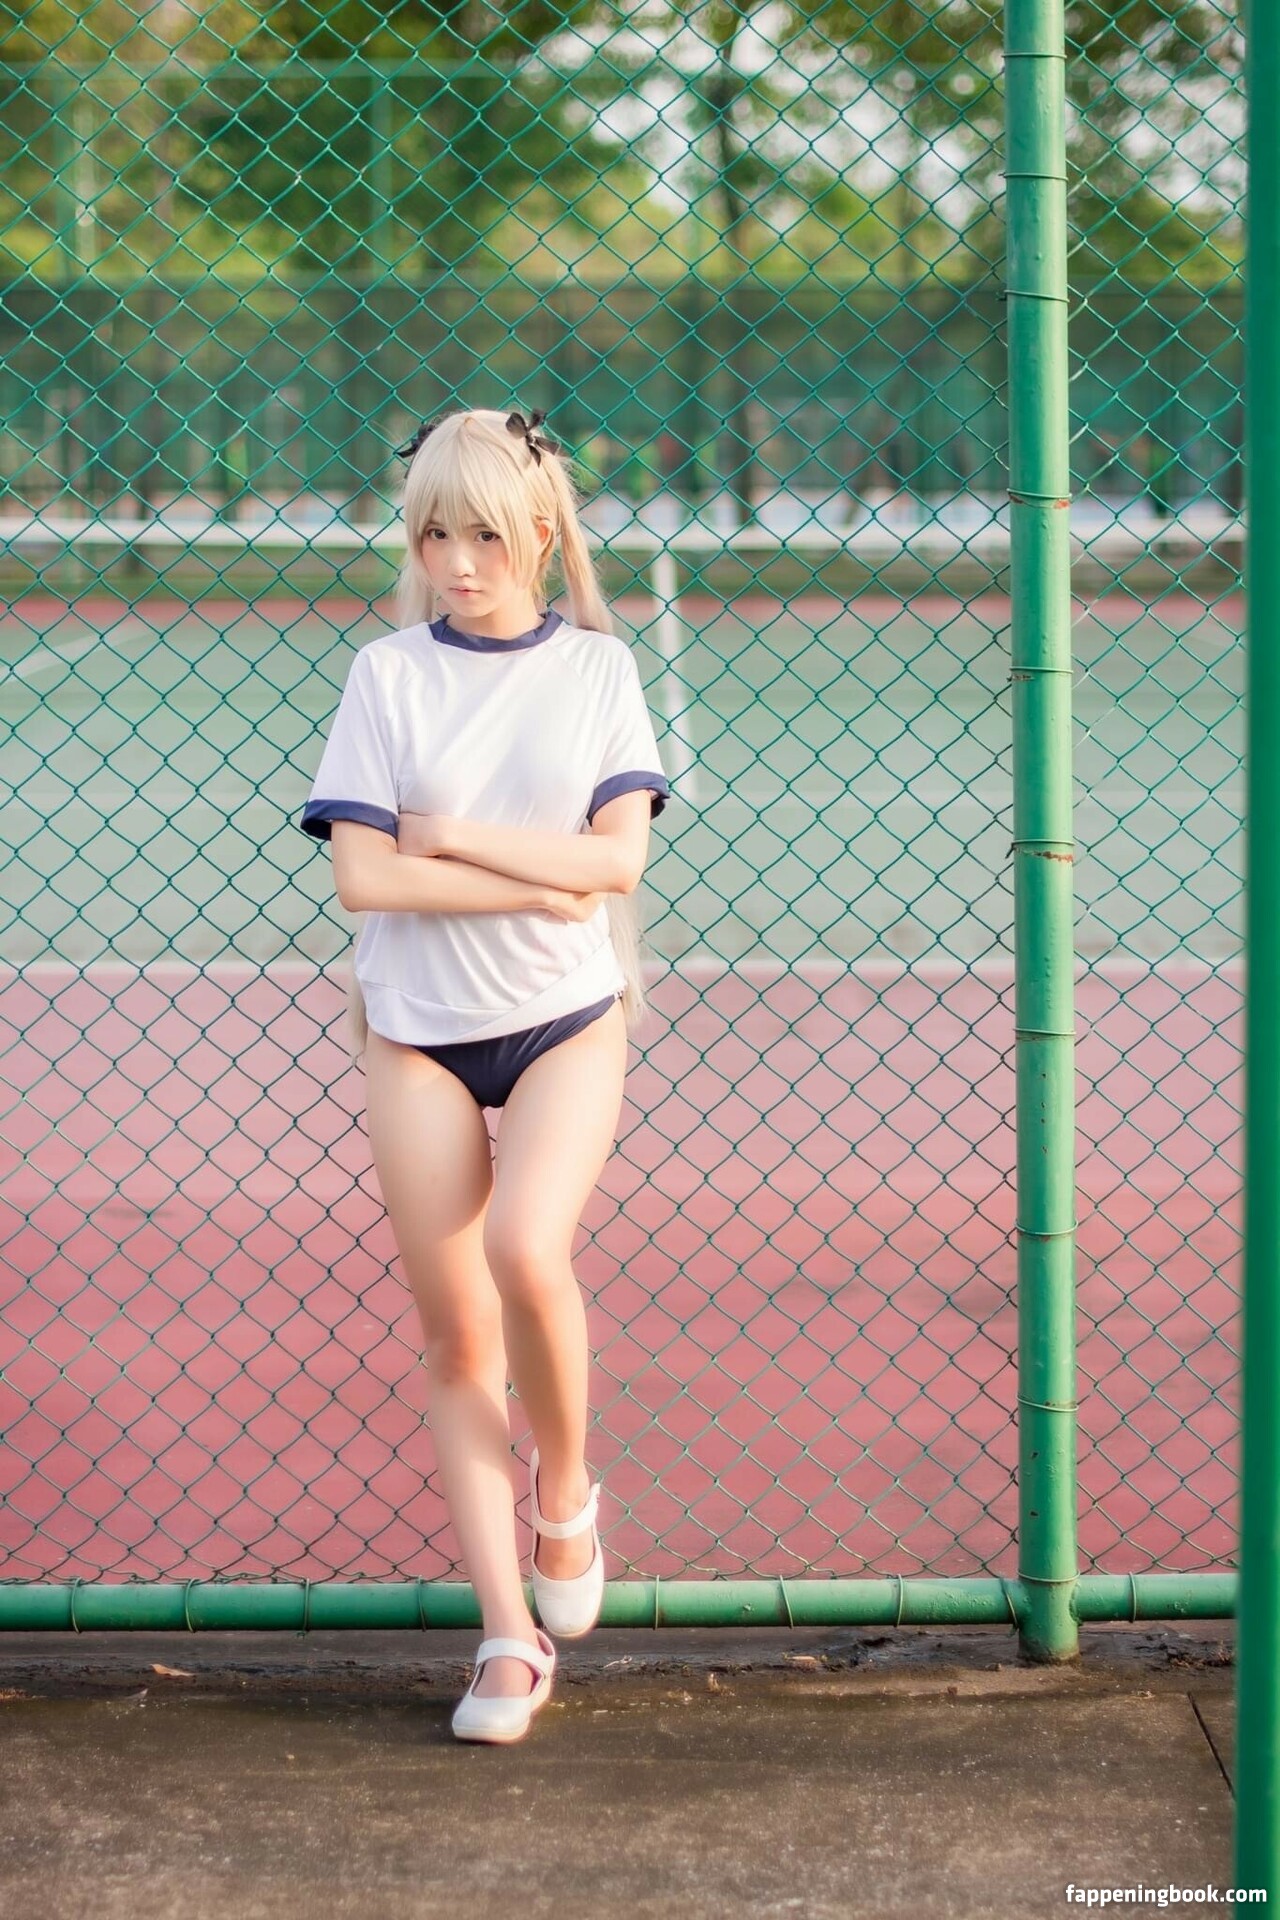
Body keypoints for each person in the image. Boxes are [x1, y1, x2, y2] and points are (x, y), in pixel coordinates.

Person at [298, 405, 671, 1744]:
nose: (458, 562)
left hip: (564, 1017)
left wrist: (448, 836)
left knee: (526, 1249)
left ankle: (564, 1496)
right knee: (458, 1338)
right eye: (434, 535)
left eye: (487, 535)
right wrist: (533, 870)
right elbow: (362, 878)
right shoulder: (386, 676)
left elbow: (617, 862)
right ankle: (509, 1637)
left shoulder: (597, 672)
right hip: (415, 1030)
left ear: (543, 534)